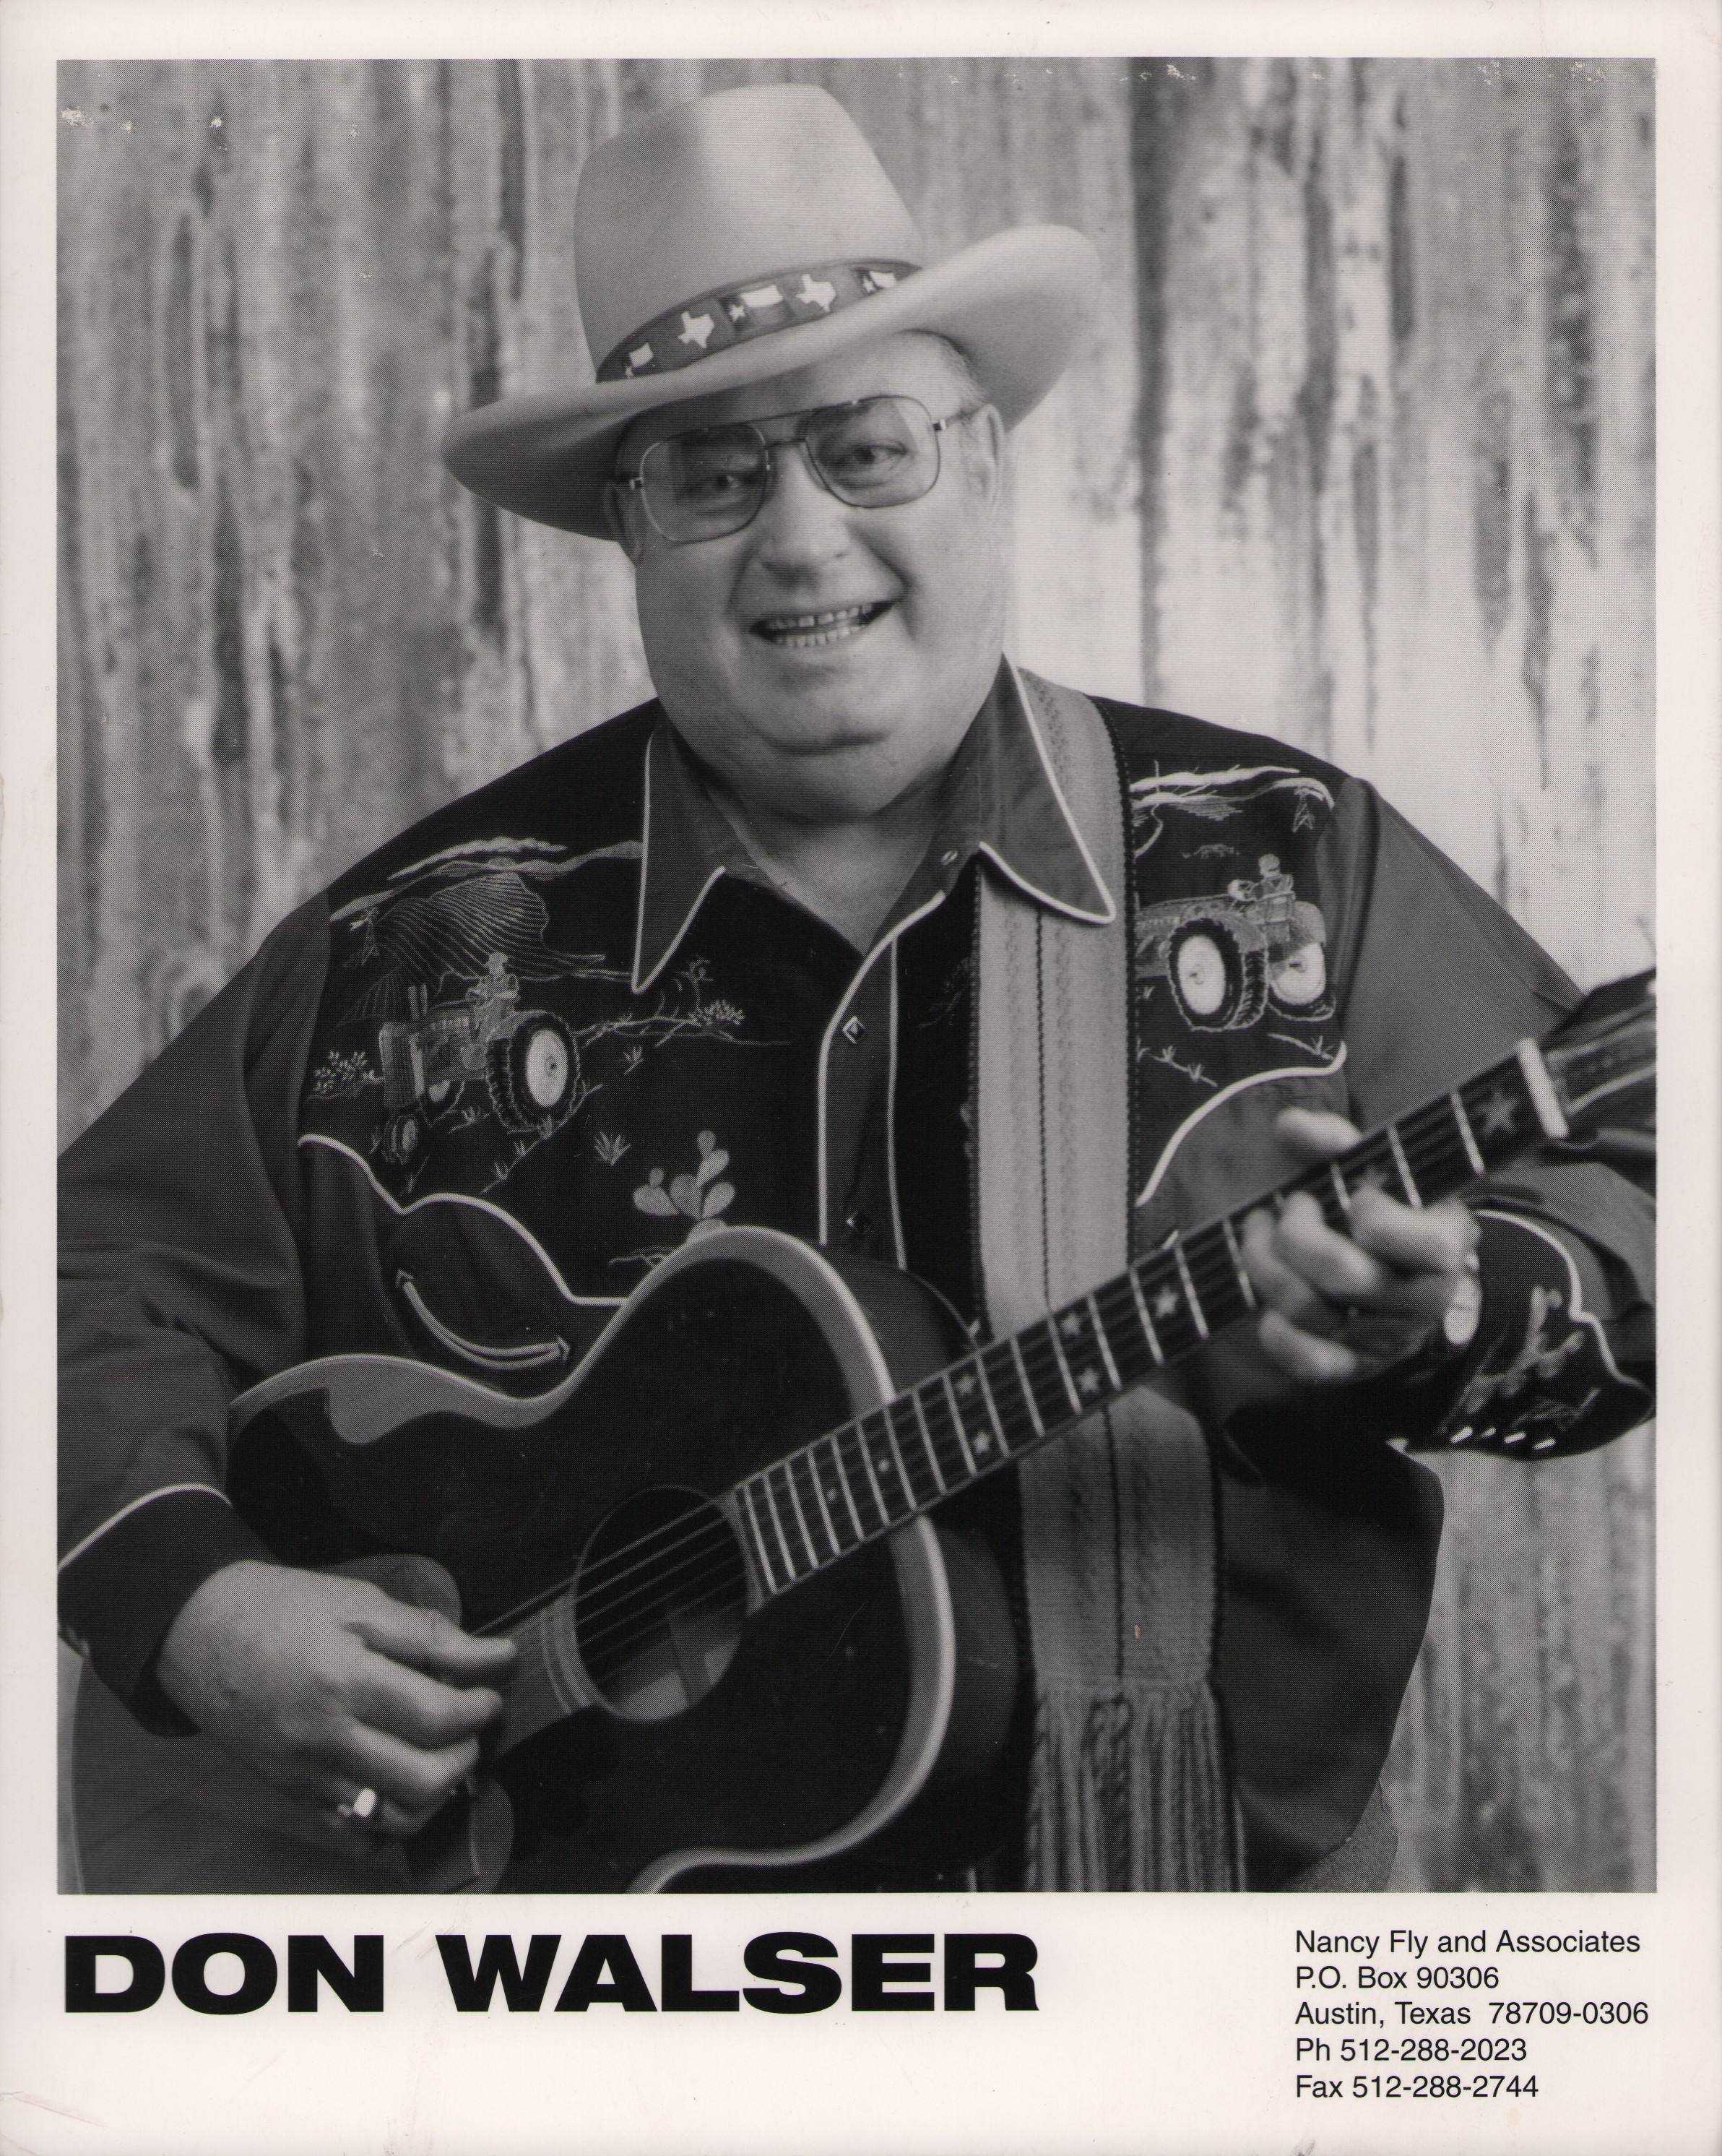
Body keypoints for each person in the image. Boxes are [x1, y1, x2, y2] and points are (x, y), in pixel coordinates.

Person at [59, 83, 1653, 1893]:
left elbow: (1635, 1230)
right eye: (714, 475)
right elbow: (77, 1277)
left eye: (866, 444)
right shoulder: (424, 949)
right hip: (577, 1988)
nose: (801, 540)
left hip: (1184, 1951)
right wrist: (184, 1594)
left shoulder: (1283, 865)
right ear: (629, 534)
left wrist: (1440, 1317)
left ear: (985, 458)